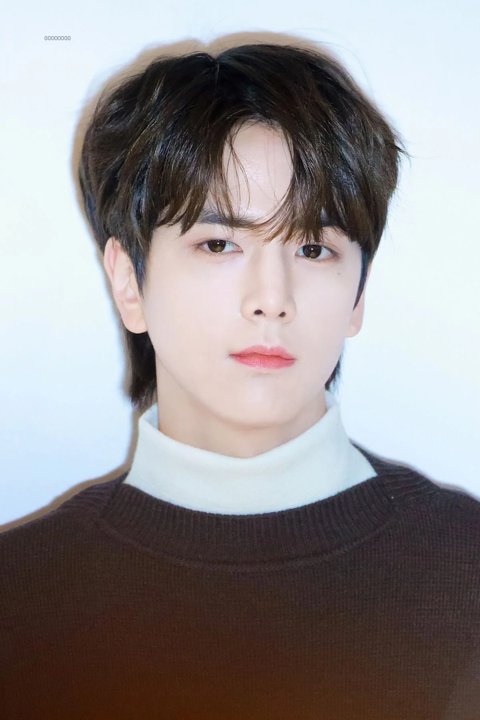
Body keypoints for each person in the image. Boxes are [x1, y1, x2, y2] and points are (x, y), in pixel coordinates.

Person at [1, 41, 479, 720]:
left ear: (358, 293)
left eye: (313, 248)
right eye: (219, 244)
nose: (271, 299)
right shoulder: (20, 596)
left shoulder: (465, 570)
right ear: (129, 281)